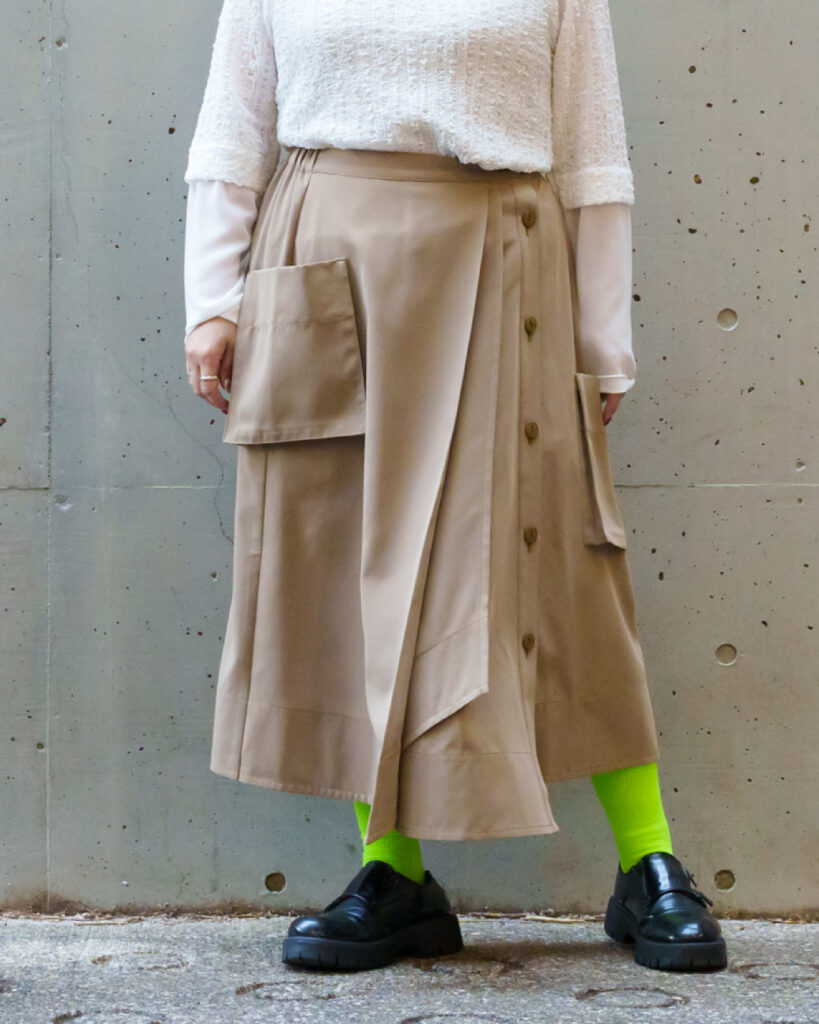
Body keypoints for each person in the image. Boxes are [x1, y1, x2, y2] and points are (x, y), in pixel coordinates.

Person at [182, 0, 728, 974]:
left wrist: (603, 340)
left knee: (562, 568)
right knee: (348, 563)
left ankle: (647, 862)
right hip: (328, 268)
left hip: (506, 264)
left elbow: (591, 149)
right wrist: (212, 303)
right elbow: (233, 130)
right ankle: (392, 873)